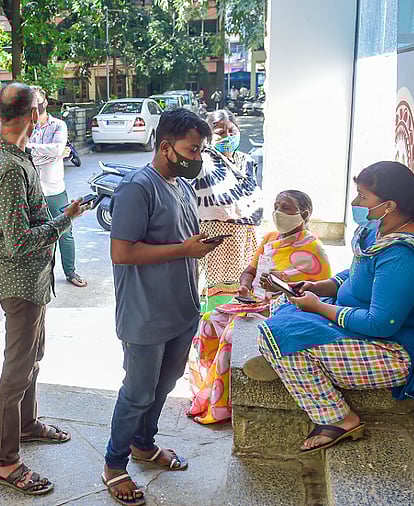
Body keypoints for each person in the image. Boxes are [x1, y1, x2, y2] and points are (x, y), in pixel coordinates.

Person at [244, 161, 414, 454]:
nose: (355, 202)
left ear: (389, 205)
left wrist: (319, 308)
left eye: (363, 197)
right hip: (357, 328)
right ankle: (290, 363)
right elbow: (353, 278)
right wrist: (318, 287)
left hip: (391, 351)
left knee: (273, 334)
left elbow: (380, 324)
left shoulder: (404, 255)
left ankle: (338, 418)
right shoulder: (376, 231)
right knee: (283, 304)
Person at [100, 108, 217, 506]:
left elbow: (177, 238)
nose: (197, 157)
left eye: (201, 149)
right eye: (192, 149)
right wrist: (184, 248)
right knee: (137, 392)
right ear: (166, 147)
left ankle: (143, 446)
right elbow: (122, 252)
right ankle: (115, 465)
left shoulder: (180, 185)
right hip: (145, 313)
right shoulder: (137, 187)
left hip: (181, 308)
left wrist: (195, 244)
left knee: (163, 386)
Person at [0, 82, 85, 496]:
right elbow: (19, 240)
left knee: (32, 357)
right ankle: (6, 461)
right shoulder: (7, 167)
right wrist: (67, 217)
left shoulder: (18, 155)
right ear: (34, 115)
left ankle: (27, 424)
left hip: (33, 280)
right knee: (16, 370)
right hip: (19, 281)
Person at [187, 190, 332, 425]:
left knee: (232, 336)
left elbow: (313, 293)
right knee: (208, 321)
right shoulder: (270, 238)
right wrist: (244, 287)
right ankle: (209, 389)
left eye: (286, 208)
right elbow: (249, 271)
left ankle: (224, 403)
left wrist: (279, 285)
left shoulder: (314, 250)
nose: (278, 212)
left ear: (303, 214)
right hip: (251, 302)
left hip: (281, 309)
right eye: (276, 206)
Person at [192, 109, 261, 297]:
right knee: (212, 288)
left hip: (244, 234)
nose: (228, 136)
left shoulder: (246, 161)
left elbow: (252, 197)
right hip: (213, 234)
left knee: (242, 286)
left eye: (232, 131)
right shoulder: (203, 161)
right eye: (221, 132)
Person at [29, 87, 87, 288]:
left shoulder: (58, 126)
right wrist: (54, 153)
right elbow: (28, 152)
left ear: (45, 102)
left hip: (55, 189)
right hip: (33, 192)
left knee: (65, 231)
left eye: (37, 100)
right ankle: (42, 276)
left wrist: (42, 152)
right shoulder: (27, 127)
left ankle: (70, 272)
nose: (34, 105)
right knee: (38, 234)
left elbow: (56, 149)